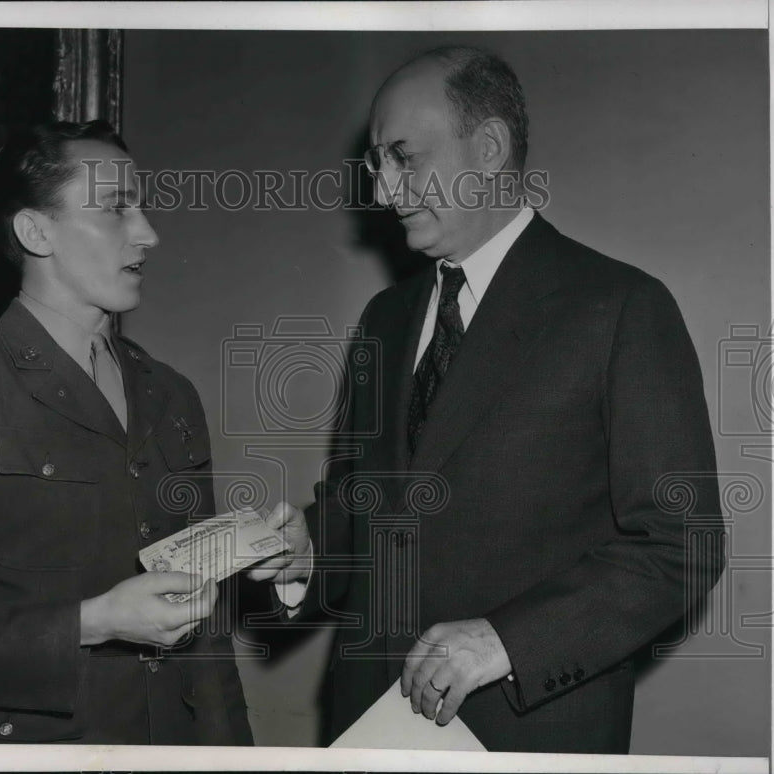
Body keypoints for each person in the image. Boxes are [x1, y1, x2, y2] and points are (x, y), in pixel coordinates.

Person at [248, 46, 726, 753]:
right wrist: (312, 548)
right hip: (365, 727)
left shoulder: (621, 307)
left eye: (403, 157)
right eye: (377, 164)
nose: (383, 192)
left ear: (491, 147)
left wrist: (509, 641)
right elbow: (371, 503)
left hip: (525, 736)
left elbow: (682, 544)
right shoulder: (385, 317)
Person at [0, 120, 252, 745]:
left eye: (142, 206)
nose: (148, 233)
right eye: (116, 209)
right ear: (35, 232)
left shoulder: (171, 394)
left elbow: (206, 637)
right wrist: (90, 623)